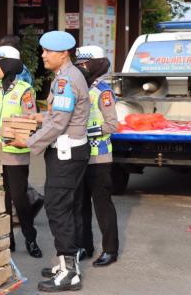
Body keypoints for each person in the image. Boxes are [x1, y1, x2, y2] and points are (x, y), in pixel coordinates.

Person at [23, 30, 91, 292]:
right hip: (71, 152)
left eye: (47, 51)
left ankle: (69, 274)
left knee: (58, 209)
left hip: (66, 153)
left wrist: (29, 143)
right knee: (68, 208)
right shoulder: (66, 77)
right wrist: (39, 119)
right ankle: (65, 264)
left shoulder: (65, 81)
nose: (43, 55)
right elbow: (57, 115)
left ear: (63, 54)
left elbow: (60, 123)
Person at [0, 44, 42, 258]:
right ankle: (7, 240)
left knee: (19, 199)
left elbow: (31, 122)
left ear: (7, 65)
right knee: (1, 199)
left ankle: (30, 238)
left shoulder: (24, 91)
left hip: (16, 153)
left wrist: (16, 137)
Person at [73, 45, 119, 267]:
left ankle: (110, 250)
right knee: (80, 204)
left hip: (99, 157)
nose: (80, 68)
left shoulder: (103, 91)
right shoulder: (78, 87)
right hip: (79, 154)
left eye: (83, 64)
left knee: (102, 205)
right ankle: (85, 246)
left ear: (94, 65)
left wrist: (85, 131)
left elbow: (112, 125)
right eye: (78, 64)